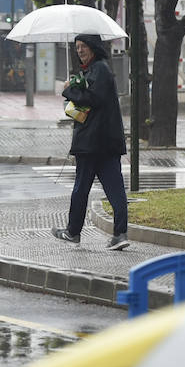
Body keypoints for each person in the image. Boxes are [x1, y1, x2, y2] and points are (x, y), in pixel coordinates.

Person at [54, 33, 130, 250]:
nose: (79, 50)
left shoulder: (100, 69)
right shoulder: (94, 70)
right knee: (112, 189)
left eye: (83, 46)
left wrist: (69, 89)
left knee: (84, 189)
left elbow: (92, 99)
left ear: (94, 47)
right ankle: (118, 234)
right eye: (77, 47)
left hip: (94, 143)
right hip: (102, 142)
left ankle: (75, 232)